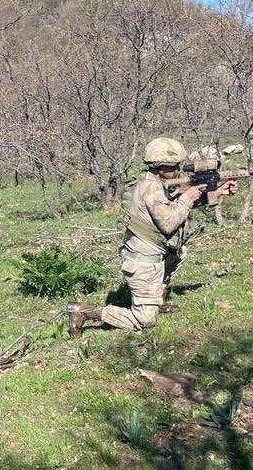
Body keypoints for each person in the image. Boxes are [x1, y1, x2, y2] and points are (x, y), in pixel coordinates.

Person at [67, 137, 236, 334]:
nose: (178, 170)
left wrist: (219, 191)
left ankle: (156, 300)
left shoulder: (159, 183)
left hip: (156, 253)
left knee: (177, 254)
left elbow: (177, 206)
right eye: (174, 166)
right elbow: (169, 223)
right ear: (161, 167)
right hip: (143, 262)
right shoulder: (152, 189)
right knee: (144, 321)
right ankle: (86, 311)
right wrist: (187, 198)